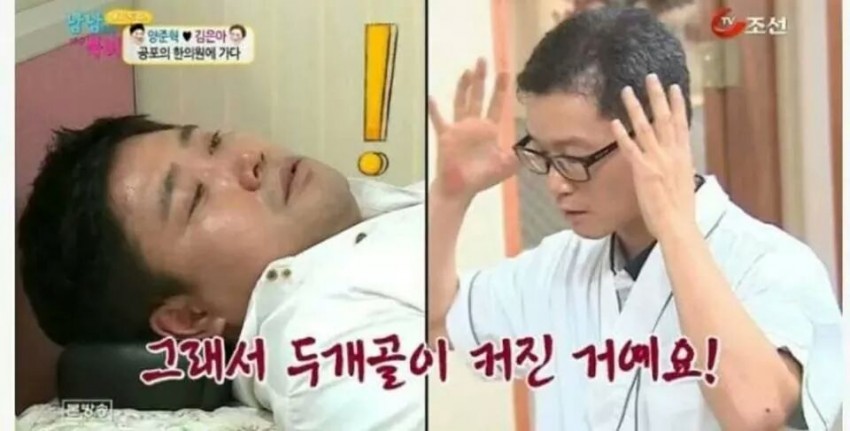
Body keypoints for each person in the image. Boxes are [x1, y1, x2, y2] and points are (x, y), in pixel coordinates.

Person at [427, 7, 841, 431]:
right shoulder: (557, 267)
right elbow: (437, 320)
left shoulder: (770, 264)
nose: (556, 183)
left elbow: (759, 411)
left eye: (573, 157)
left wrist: (674, 225)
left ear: (655, 135)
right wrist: (449, 197)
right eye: (544, 156)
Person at [18, 115, 425, 430]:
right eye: (195, 196)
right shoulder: (325, 345)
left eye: (214, 143)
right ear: (189, 316)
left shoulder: (369, 217)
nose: (249, 160)